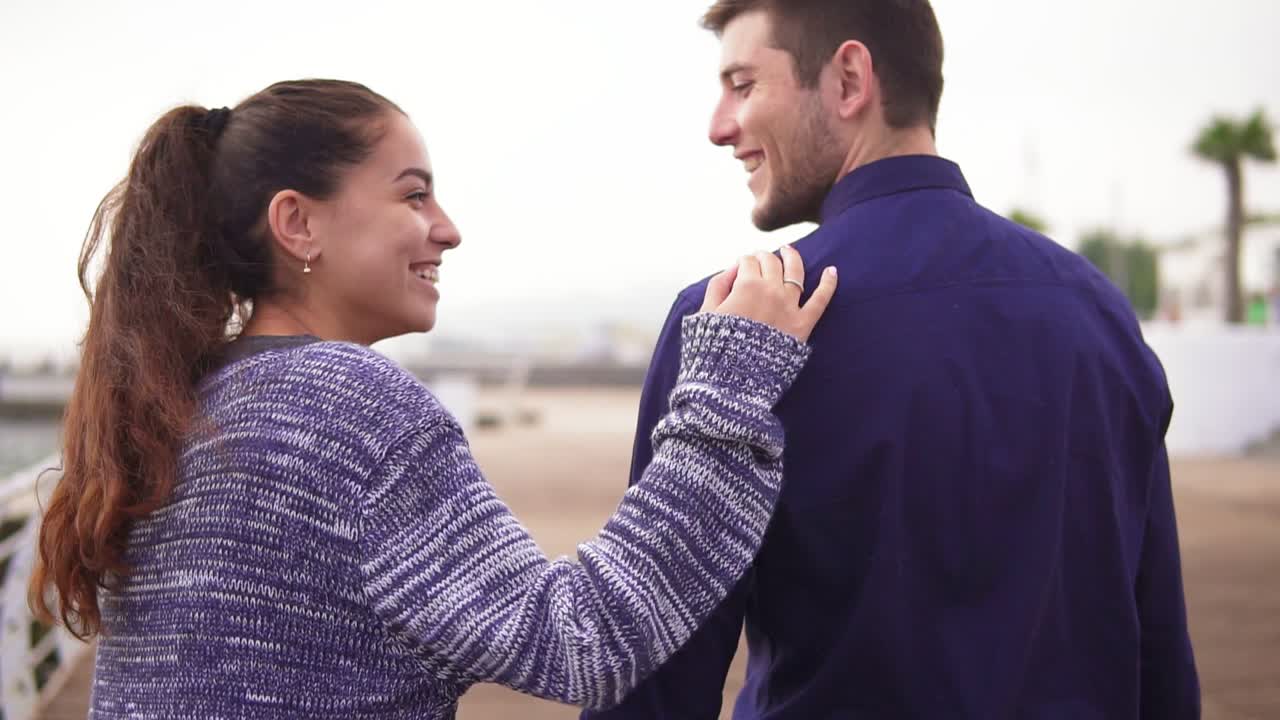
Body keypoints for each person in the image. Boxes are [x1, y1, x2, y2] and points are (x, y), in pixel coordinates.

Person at [28, 79, 839, 718]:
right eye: (413, 195)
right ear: (297, 223)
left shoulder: (189, 398)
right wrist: (729, 386)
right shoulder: (344, 403)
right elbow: (579, 641)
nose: (447, 228)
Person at [587, 2, 1200, 718]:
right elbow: (1158, 654)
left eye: (743, 84)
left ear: (849, 80)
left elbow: (655, 683)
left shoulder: (730, 326)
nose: (719, 125)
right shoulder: (1099, 313)